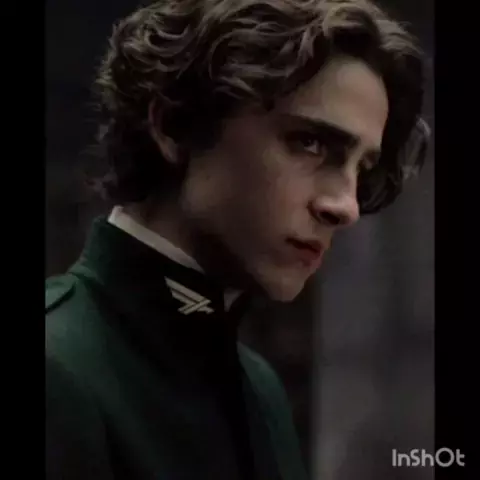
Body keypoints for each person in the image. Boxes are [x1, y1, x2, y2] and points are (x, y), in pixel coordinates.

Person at [45, 0, 430, 479]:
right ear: (176, 125)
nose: (346, 206)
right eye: (309, 142)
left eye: (362, 168)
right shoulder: (59, 367)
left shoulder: (259, 389)